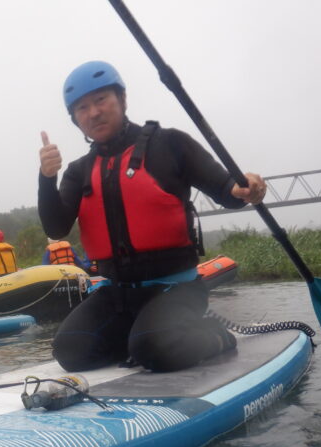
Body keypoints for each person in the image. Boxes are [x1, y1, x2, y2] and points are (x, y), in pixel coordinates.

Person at [38, 60, 266, 373]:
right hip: (116, 295)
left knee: (152, 347)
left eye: (101, 100)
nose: (93, 113)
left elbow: (228, 190)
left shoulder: (170, 144)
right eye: (82, 108)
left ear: (123, 99)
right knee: (71, 352)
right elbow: (56, 226)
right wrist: (47, 179)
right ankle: (141, 340)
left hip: (176, 289)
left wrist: (247, 187)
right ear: (76, 119)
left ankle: (214, 335)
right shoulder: (79, 172)